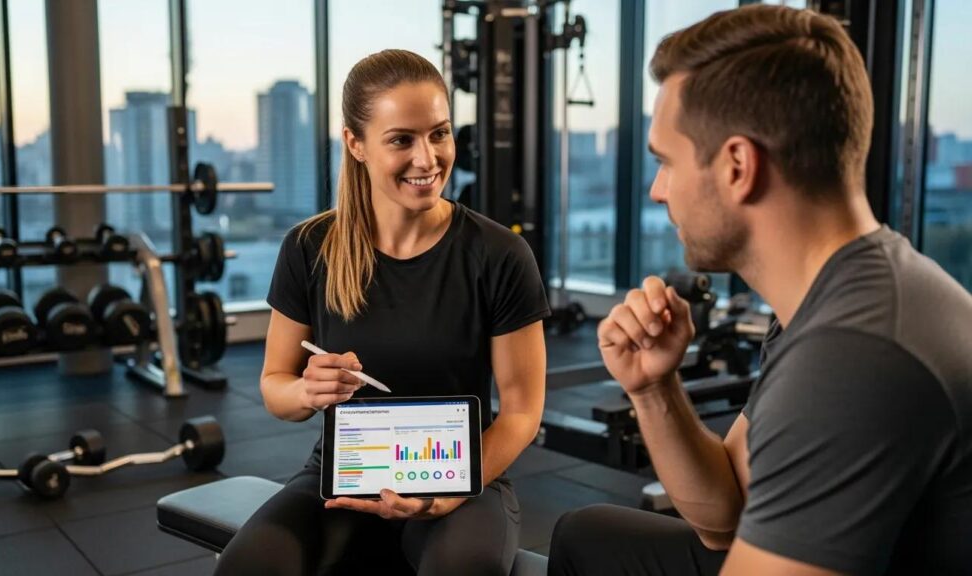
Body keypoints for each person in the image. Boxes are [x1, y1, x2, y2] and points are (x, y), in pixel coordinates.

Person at [548, 5, 972, 576]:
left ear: (737, 166)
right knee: (588, 535)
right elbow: (723, 517)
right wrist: (653, 388)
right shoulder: (831, 294)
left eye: (667, 162)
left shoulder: (855, 353)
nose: (655, 191)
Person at [213, 49, 549, 576]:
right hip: (346, 471)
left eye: (439, 133)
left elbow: (523, 412)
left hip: (457, 474)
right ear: (356, 143)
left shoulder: (500, 255)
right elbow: (275, 387)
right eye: (401, 139)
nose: (427, 158)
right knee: (249, 568)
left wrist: (440, 496)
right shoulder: (310, 247)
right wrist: (307, 391)